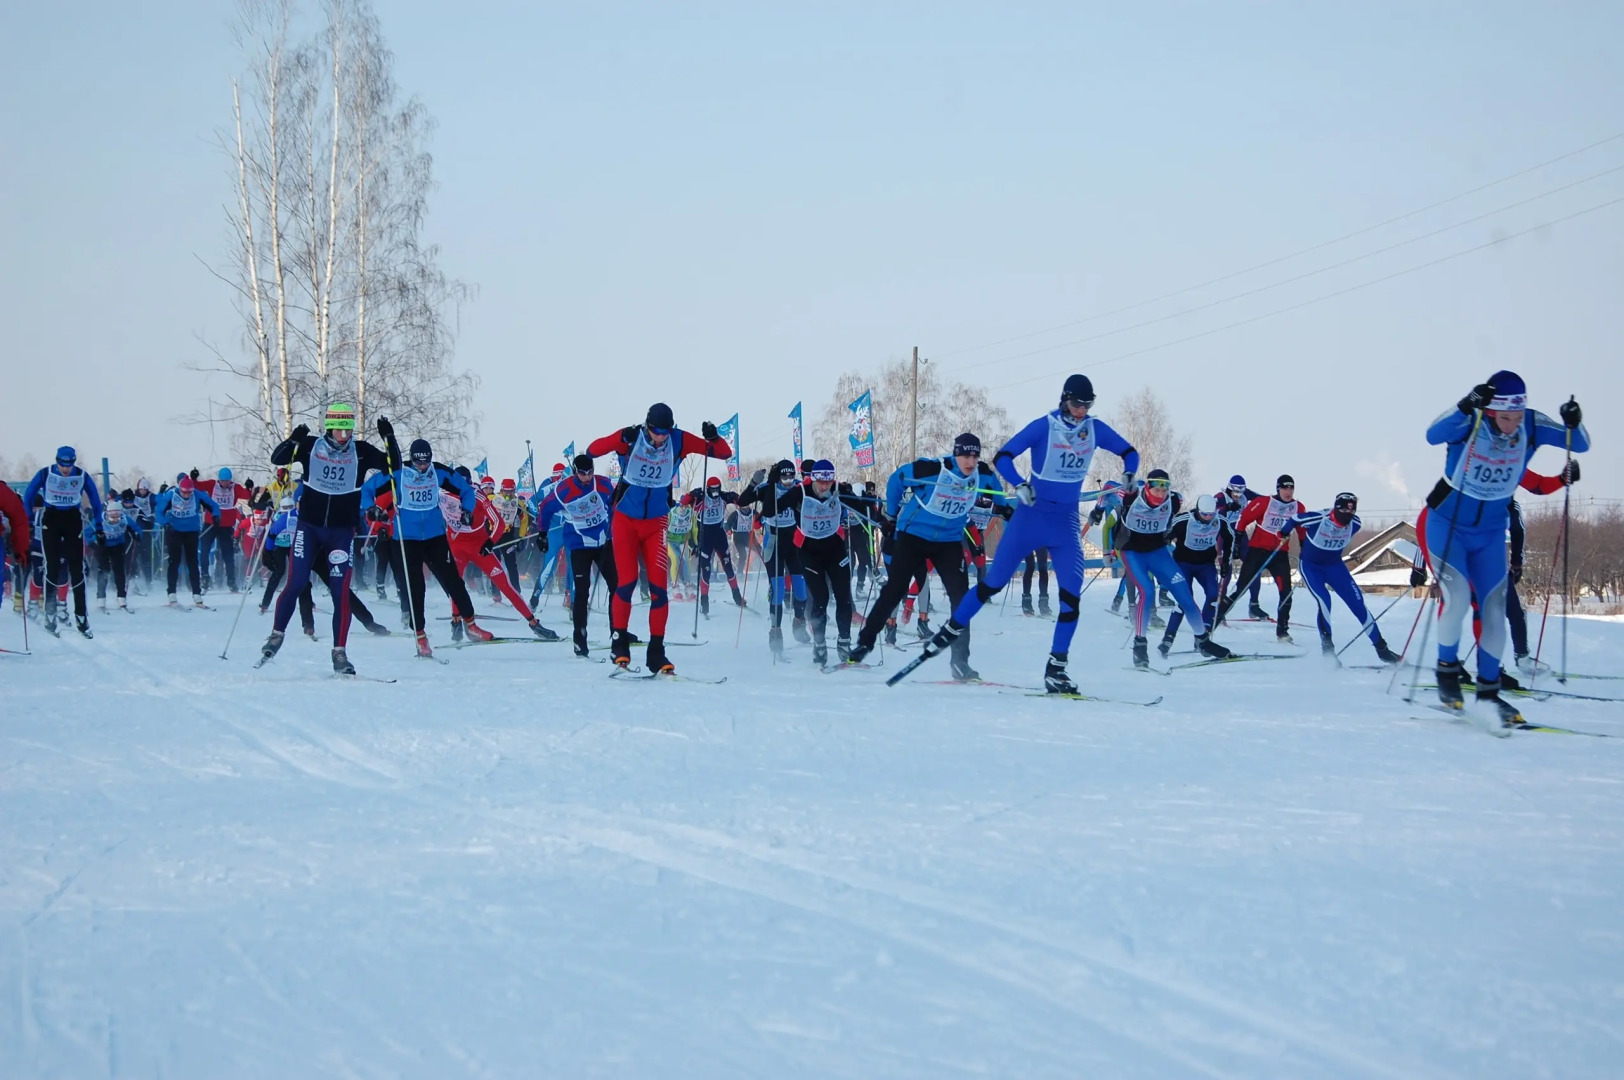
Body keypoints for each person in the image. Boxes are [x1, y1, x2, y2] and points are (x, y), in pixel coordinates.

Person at [923, 377, 1139, 693]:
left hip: (1064, 524)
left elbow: (1128, 451)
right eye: (1077, 404)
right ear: (1065, 400)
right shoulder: (1044, 426)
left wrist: (1130, 472)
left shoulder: (1094, 429)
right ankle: (951, 630)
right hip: (1030, 518)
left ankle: (1056, 668)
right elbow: (1003, 456)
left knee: (1071, 599)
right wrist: (1019, 483)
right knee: (992, 584)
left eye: (1087, 405)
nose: (1081, 411)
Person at [1422, 373, 1587, 720]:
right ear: (1491, 410)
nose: (1512, 425)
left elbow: (1579, 443)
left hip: (1491, 535)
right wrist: (1466, 403)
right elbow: (1433, 434)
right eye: (1504, 417)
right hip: (1447, 526)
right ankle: (1447, 672)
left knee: (1496, 611)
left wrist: (1574, 422)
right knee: (1458, 599)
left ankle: (1488, 692)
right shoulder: (1472, 420)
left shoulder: (1531, 426)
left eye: (1516, 416)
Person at [846, 433, 1012, 679]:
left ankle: (959, 662)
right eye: (965, 456)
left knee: (962, 600)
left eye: (975, 456)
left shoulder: (982, 474)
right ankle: (865, 643)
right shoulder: (932, 468)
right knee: (895, 589)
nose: (970, 462)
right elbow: (896, 480)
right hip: (914, 536)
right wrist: (891, 516)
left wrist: (1001, 506)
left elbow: (996, 489)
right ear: (956, 454)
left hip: (949, 542)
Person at [585, 403, 731, 672]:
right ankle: (619, 642)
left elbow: (723, 453)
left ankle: (656, 652)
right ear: (646, 426)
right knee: (626, 583)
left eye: (665, 431)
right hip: (626, 521)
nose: (660, 436)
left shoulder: (679, 440)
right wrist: (620, 438)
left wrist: (713, 437)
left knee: (659, 590)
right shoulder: (632, 438)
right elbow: (592, 450)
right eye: (655, 431)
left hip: (657, 523)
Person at [260, 403, 393, 674]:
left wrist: (389, 438)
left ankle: (340, 653)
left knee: (340, 592)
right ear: (330, 427)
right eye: (339, 429)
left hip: (340, 533)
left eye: (348, 429)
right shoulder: (311, 446)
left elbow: (394, 467)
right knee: (296, 582)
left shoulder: (362, 451)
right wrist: (295, 438)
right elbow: (278, 458)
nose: (344, 436)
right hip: (309, 528)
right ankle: (276, 635)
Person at [359, 437, 485, 657]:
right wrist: (371, 509)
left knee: (453, 581)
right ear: (412, 460)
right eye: (419, 463)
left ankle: (471, 624)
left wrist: (467, 510)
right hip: (407, 539)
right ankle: (420, 636)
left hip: (435, 535)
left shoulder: (439, 472)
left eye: (426, 462)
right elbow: (367, 489)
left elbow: (466, 490)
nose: (423, 467)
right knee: (417, 588)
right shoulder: (399, 472)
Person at [1112, 471, 1232, 667]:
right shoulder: (1134, 497)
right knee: (1147, 591)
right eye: (1156, 490)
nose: (1160, 495)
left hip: (1157, 552)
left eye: (1164, 490)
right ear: (1148, 489)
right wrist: (1128, 479)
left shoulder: (1173, 500)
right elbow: (1129, 489)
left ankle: (1202, 640)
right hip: (1132, 552)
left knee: (1184, 594)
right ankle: (1139, 645)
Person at [1279, 493, 1403, 664]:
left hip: (1335, 567)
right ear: (1336, 508)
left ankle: (1383, 650)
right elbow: (1294, 518)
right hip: (1311, 567)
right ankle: (1328, 652)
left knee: (1358, 604)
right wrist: (1283, 532)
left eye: (1351, 510)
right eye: (1344, 509)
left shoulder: (1356, 524)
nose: (1348, 514)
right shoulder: (1318, 518)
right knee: (1324, 601)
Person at [442, 465, 560, 641]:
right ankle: (456, 622)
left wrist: (491, 542)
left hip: (479, 546)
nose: (462, 490)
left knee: (505, 584)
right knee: (455, 584)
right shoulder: (443, 493)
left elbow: (497, 521)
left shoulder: (477, 495)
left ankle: (534, 623)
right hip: (456, 545)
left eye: (464, 485)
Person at [534, 454, 619, 657]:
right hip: (579, 544)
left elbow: (616, 502)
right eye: (582, 473)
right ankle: (580, 640)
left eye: (590, 472)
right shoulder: (563, 490)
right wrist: (542, 533)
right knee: (581, 592)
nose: (587, 477)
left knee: (617, 587)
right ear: (575, 471)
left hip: (603, 542)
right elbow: (545, 508)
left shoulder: (604, 484)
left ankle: (618, 633)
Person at [22, 447, 105, 636]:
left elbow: (95, 500)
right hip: (51, 518)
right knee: (51, 565)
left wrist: (99, 526)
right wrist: (27, 520)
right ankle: (50, 614)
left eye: (69, 465)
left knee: (76, 569)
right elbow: (29, 494)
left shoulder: (81, 475)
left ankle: (81, 617)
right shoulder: (46, 472)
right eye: (62, 465)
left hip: (72, 519)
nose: (66, 469)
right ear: (57, 461)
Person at [1216, 475, 1304, 642]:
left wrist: (1303, 545)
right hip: (1257, 551)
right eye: (1285, 488)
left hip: (1279, 554)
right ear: (1278, 488)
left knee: (1285, 593)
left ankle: (1282, 632)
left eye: (1291, 488)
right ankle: (1214, 621)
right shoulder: (1265, 502)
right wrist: (1237, 541)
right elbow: (1244, 519)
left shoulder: (1297, 506)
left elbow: (1301, 528)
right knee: (1241, 588)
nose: (1288, 491)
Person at [1159, 493, 1231, 657]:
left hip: (1206, 565)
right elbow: (1164, 536)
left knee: (1213, 596)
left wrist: (1225, 561)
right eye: (1204, 514)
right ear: (1197, 510)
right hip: (1184, 564)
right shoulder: (1184, 520)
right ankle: (1167, 639)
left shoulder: (1219, 521)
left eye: (1211, 514)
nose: (1207, 518)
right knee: (1185, 600)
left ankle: (1202, 637)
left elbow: (1230, 538)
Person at [153, 475, 221, 605]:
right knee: (174, 561)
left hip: (191, 531)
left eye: (189, 492)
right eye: (184, 492)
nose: (187, 495)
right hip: (174, 531)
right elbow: (158, 511)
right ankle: (171, 593)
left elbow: (214, 506)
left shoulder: (197, 494)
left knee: (193, 562)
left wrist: (216, 516)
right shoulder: (171, 495)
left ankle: (196, 593)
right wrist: (164, 523)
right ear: (180, 489)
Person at [684, 475, 746, 615]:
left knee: (728, 567)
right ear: (708, 489)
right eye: (712, 490)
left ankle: (737, 596)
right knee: (706, 570)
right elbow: (683, 501)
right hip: (705, 537)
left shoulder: (723, 497)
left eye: (717, 489)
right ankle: (704, 601)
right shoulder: (700, 498)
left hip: (719, 535)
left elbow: (742, 501)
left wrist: (737, 496)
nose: (716, 493)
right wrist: (691, 494)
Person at [1216, 475, 1265, 614]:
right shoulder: (1221, 496)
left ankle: (1254, 605)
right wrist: (1227, 507)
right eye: (1235, 492)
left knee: (1255, 568)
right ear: (1229, 489)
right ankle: (1219, 608)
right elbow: (1213, 508)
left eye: (1240, 492)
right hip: (1224, 536)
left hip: (1240, 535)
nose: (1238, 495)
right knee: (1227, 573)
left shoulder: (1245, 494)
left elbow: (1263, 500)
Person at [200, 467, 251, 593]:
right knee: (204, 550)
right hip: (211, 523)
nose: (225, 484)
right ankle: (205, 577)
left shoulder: (235, 487)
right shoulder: (212, 485)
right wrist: (193, 477)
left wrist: (249, 488)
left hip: (226, 526)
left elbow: (247, 495)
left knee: (228, 554)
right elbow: (196, 486)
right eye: (223, 481)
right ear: (219, 480)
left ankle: (231, 581)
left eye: (227, 481)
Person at [89, 501, 141, 610]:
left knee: (119, 570)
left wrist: (137, 534)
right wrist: (92, 543)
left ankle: (121, 597)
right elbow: (87, 532)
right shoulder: (100, 520)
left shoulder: (125, 519)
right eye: (112, 517)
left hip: (117, 545)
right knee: (104, 570)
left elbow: (136, 528)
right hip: (103, 546)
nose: (115, 520)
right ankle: (101, 598)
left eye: (117, 517)